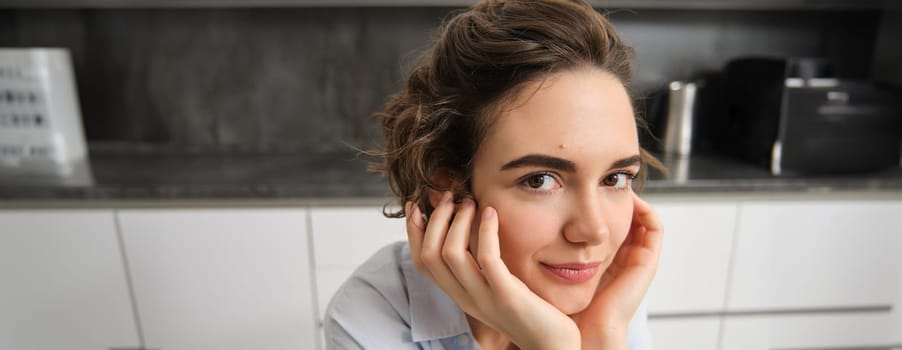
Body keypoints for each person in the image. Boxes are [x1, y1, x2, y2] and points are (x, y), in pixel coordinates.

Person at [324, 0, 664, 349]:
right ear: (447, 185)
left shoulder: (605, 288)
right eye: (540, 180)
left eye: (615, 178)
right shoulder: (370, 317)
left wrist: (604, 333)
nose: (594, 232)